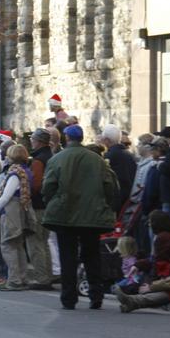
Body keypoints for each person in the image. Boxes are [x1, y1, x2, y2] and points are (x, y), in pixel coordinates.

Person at [41, 124, 119, 310]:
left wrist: (53, 201)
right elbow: (110, 186)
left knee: (67, 256)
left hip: (65, 213)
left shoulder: (57, 159)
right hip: (91, 214)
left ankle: (68, 297)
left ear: (67, 138)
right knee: (92, 255)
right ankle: (96, 295)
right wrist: (105, 204)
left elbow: (48, 186)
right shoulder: (97, 160)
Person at [0, 145, 37, 291]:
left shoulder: (15, 173)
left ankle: (14, 280)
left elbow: (6, 196)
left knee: (8, 245)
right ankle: (22, 278)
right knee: (18, 246)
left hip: (11, 213)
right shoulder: (26, 171)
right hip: (21, 212)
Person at [26, 129, 55, 289]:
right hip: (47, 205)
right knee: (43, 242)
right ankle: (47, 275)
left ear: (38, 141)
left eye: (32, 139)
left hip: (37, 205)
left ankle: (41, 278)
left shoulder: (38, 160)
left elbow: (35, 185)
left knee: (35, 243)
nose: (31, 141)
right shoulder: (50, 156)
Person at [101, 124, 136, 212]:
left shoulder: (109, 156)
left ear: (107, 140)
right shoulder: (129, 154)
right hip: (128, 197)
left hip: (116, 199)